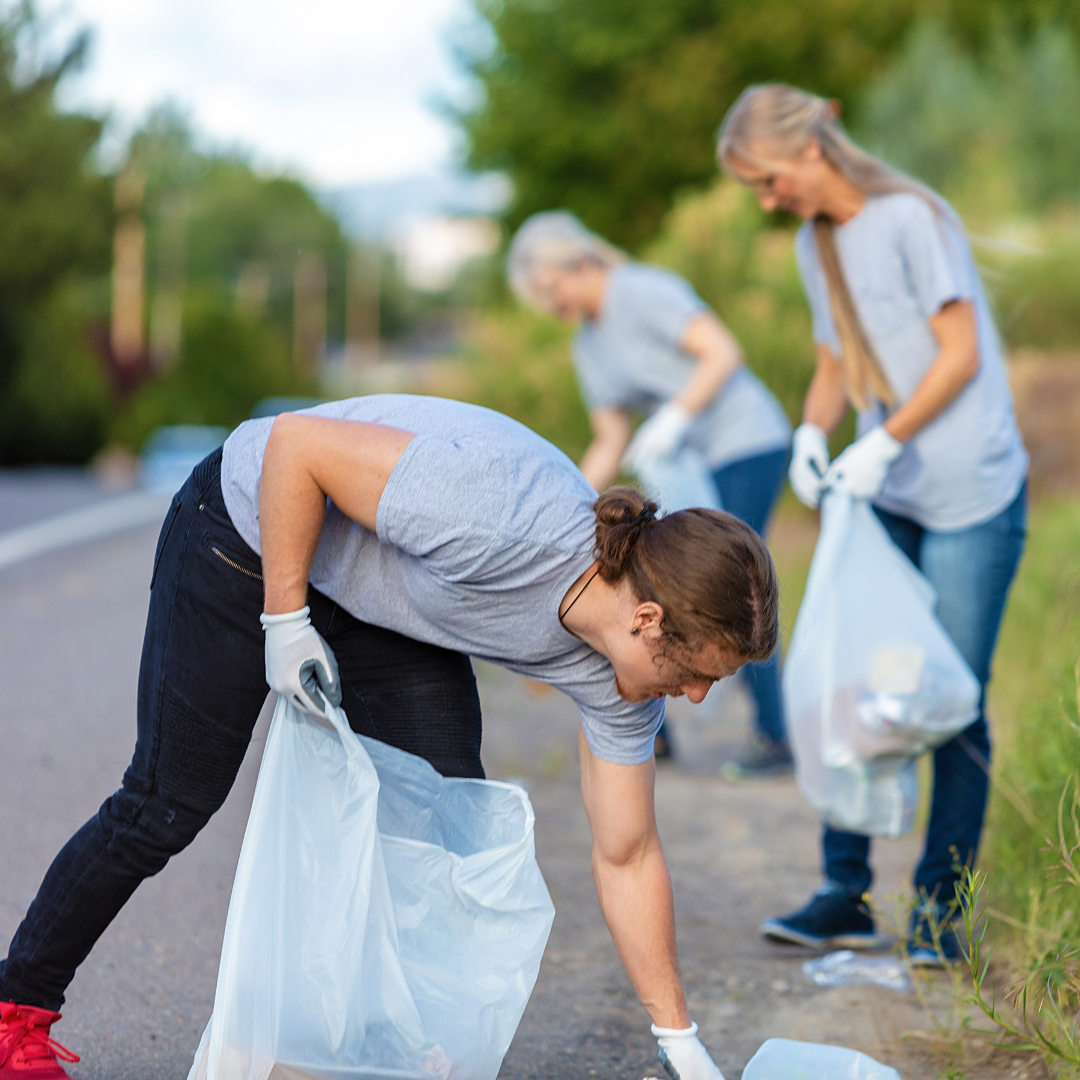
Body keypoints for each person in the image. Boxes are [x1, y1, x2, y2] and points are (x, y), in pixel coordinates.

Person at [0, 394, 779, 1080]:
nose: (699, 698)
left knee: (437, 816)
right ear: (647, 620)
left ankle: (386, 1040)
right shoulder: (499, 516)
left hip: (384, 601)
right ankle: (16, 1011)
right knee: (167, 800)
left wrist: (679, 1040)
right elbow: (295, 446)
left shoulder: (625, 686)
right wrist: (285, 621)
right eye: (699, 673)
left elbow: (629, 854)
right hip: (249, 531)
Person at [718, 84, 1028, 964]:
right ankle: (844, 892)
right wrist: (816, 431)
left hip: (971, 490)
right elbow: (834, 360)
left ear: (810, 151)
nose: (768, 200)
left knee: (951, 701)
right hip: (886, 495)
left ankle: (938, 912)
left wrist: (885, 438)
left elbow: (960, 355)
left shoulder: (910, 219)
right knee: (856, 684)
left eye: (768, 180)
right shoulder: (818, 245)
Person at [507, 212, 793, 775]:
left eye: (549, 287)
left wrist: (677, 417)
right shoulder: (588, 346)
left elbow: (721, 352)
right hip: (683, 460)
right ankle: (653, 730)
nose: (549, 302)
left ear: (579, 260)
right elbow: (611, 435)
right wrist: (570, 502)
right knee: (656, 583)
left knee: (730, 588)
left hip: (744, 440)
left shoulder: (641, 291)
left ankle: (774, 736)